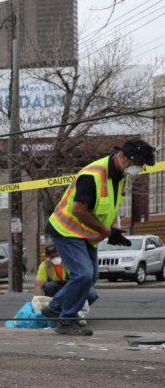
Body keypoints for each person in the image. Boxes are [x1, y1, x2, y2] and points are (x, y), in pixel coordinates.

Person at [43, 139, 155, 336]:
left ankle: (55, 307)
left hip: (85, 233)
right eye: (137, 163)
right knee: (83, 274)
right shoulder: (92, 175)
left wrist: (111, 230)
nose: (139, 168)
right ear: (122, 156)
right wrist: (107, 232)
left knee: (91, 276)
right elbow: (78, 210)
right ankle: (66, 320)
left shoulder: (121, 176)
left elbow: (107, 207)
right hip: (66, 229)